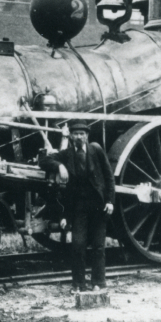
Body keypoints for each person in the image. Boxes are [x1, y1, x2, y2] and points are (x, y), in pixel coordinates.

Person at [39, 122, 115, 293]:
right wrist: (59, 166)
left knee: (98, 246)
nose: (79, 137)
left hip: (98, 206)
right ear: (71, 136)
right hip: (79, 208)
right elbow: (44, 160)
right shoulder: (67, 155)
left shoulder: (96, 150)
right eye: (75, 134)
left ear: (87, 136)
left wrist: (110, 201)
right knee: (78, 245)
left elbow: (109, 177)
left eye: (82, 134)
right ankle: (78, 284)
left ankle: (99, 283)